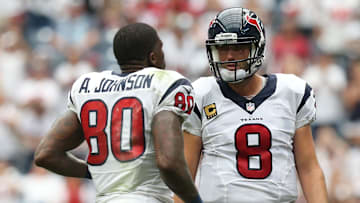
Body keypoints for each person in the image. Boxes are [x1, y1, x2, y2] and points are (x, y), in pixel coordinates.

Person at [35, 23, 202, 203]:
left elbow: (46, 154)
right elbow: (168, 162)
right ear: (153, 57)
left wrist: (100, 171)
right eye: (161, 49)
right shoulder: (166, 83)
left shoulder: (88, 85)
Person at [175, 8, 328, 203]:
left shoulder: (292, 92)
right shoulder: (201, 94)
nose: (229, 56)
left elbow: (308, 167)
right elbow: (184, 175)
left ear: (257, 48)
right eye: (222, 48)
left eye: (238, 47)